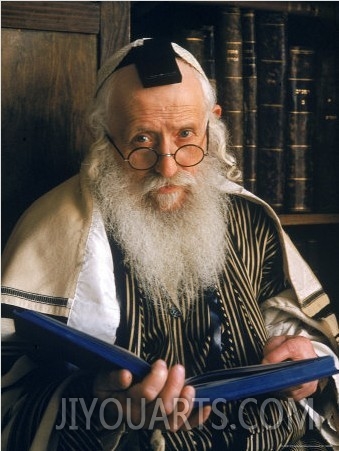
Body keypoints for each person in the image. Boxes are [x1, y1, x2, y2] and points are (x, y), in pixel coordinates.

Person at [1, 38, 339, 451]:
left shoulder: (249, 219)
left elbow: (301, 332)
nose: (167, 165)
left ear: (211, 124)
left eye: (185, 135)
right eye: (142, 140)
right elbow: (11, 390)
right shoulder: (55, 229)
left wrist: (308, 364)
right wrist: (100, 401)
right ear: (104, 136)